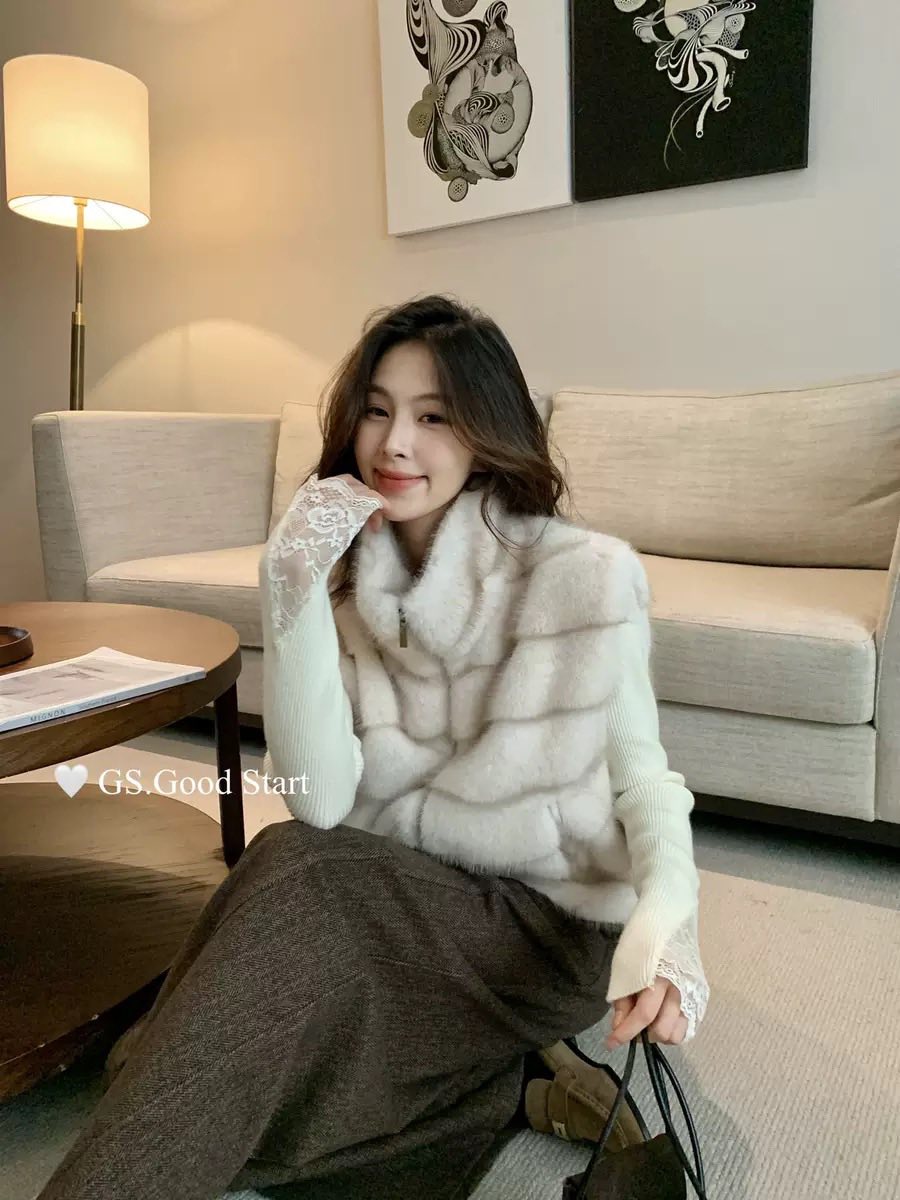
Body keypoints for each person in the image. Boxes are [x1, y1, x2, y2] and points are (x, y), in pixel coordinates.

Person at [37, 295, 709, 1200]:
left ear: (486, 433)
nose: (394, 444)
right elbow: (320, 801)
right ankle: (489, 1090)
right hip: (407, 900)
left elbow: (646, 781)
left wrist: (672, 938)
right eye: (378, 411)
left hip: (543, 931)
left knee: (283, 906)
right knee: (161, 1054)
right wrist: (290, 585)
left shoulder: (578, 578)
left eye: (433, 417)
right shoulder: (349, 580)